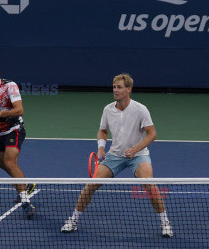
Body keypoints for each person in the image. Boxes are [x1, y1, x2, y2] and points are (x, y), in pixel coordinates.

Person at [61, 73, 173, 238]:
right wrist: (100, 148)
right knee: (91, 185)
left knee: (149, 185)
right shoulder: (108, 109)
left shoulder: (140, 109)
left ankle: (165, 223)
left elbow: (152, 134)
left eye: (119, 87)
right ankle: (73, 219)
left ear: (129, 89)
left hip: (138, 155)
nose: (115, 90)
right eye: (114, 87)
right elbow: (103, 130)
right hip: (115, 155)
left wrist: (135, 149)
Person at [0, 59, 36, 218]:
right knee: (2, 164)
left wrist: (3, 114)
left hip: (15, 128)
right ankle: (26, 185)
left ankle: (25, 201)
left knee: (10, 162)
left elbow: (19, 110)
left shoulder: (10, 86)